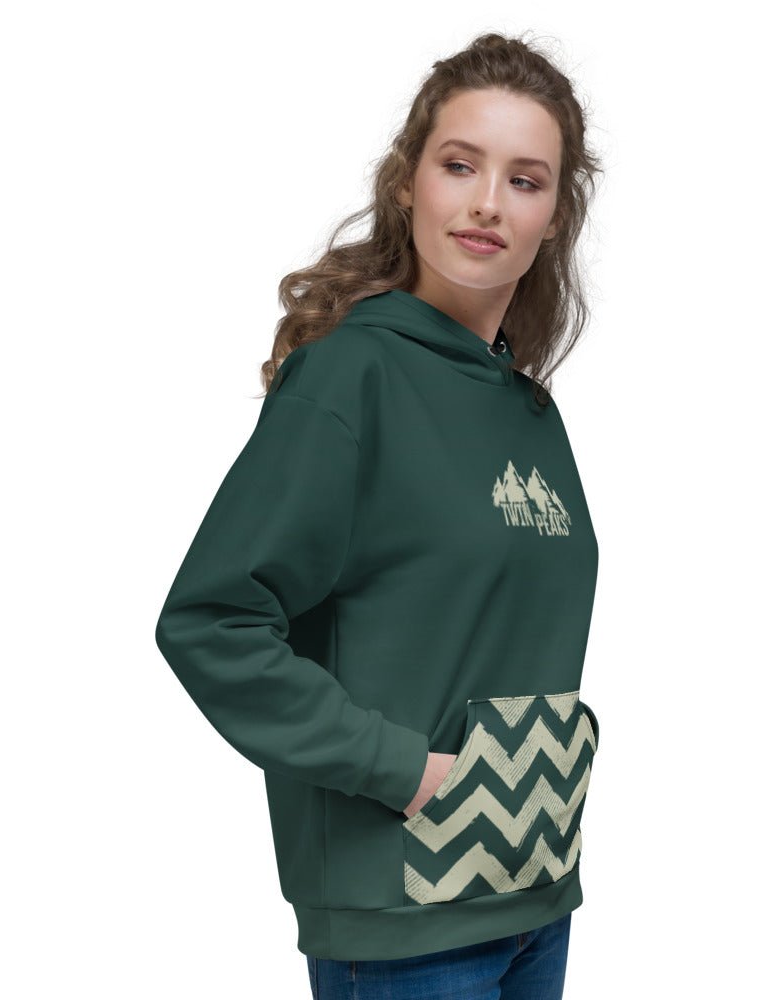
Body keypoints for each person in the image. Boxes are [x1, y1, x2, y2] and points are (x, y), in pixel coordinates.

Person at [154, 30, 605, 1000]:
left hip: (535, 893)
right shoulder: (351, 379)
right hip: (404, 920)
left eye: (525, 180)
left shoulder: (531, 412)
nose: (488, 202)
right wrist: (405, 770)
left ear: (554, 218)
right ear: (408, 183)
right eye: (460, 165)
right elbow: (212, 622)